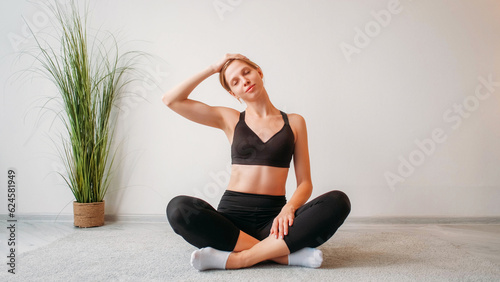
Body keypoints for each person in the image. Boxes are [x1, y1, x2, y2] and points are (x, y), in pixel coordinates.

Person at [163, 53, 351, 271]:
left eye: (246, 72)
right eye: (235, 82)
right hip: (231, 223)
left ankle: (240, 258)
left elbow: (305, 183)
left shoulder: (295, 122)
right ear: (233, 93)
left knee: (339, 201)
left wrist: (289, 208)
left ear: (259, 72)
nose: (244, 80)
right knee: (178, 208)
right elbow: (171, 100)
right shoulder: (230, 119)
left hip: (275, 224)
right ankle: (280, 255)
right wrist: (214, 68)